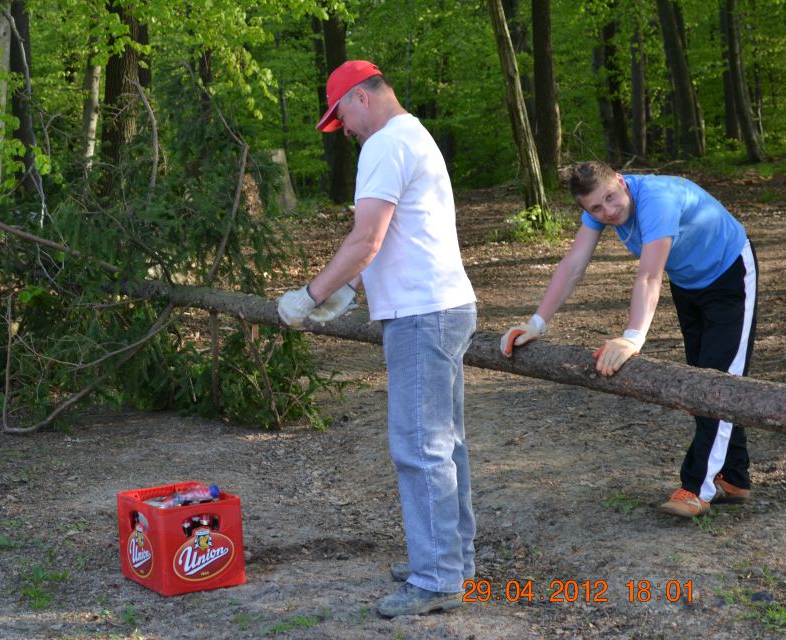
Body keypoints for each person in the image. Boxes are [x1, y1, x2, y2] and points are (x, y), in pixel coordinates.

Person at [276, 60, 478, 617]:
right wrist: (355, 288)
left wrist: (311, 295)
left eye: (339, 115)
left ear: (361, 98)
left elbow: (366, 238)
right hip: (441, 306)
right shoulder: (414, 135)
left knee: (420, 447)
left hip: (423, 315)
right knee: (445, 442)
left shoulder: (385, 145)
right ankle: (452, 558)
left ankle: (438, 577)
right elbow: (401, 236)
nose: (342, 128)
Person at [500, 160, 758, 519]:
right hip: (689, 284)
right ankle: (735, 477)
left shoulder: (658, 199)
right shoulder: (601, 207)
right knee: (704, 374)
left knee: (719, 384)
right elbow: (574, 263)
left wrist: (631, 339)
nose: (608, 211)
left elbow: (649, 276)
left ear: (621, 181)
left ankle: (698, 487)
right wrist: (537, 323)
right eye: (595, 208)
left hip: (731, 276)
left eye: (610, 197)